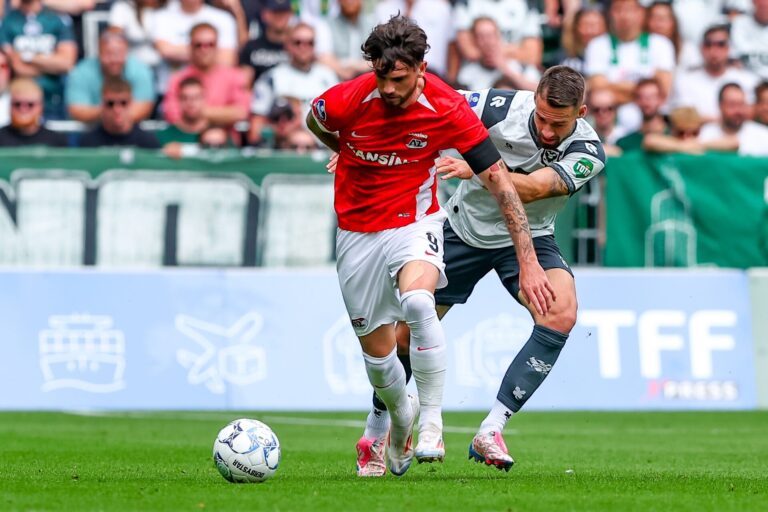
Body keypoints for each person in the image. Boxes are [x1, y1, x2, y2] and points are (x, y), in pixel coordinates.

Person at [306, 15, 552, 477]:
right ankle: (401, 418)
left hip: (414, 221)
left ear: (421, 67)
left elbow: (500, 182)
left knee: (419, 301)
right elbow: (313, 119)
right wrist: (340, 145)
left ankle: (432, 424)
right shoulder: (348, 99)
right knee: (380, 364)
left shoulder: (447, 106)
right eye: (381, 76)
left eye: (398, 79)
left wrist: (528, 256)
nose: (389, 88)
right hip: (356, 233)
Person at [356, 64, 605, 475]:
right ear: (534, 98)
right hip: (463, 230)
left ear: (580, 114)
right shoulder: (497, 105)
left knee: (561, 313)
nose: (546, 130)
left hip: (530, 237)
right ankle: (377, 429)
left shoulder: (589, 152)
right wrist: (358, 142)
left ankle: (491, 428)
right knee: (402, 337)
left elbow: (539, 188)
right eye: (541, 118)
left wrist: (479, 166)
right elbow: (423, 102)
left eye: (557, 124)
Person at [250, 22, 338, 145]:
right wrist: (280, 130)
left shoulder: (329, 77)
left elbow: (341, 122)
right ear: (287, 45)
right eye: (298, 42)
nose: (304, 47)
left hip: (322, 149)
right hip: (283, 149)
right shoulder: (272, 78)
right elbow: (255, 130)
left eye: (310, 43)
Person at [163, 23, 250, 132]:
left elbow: (241, 112)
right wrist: (222, 116)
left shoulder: (234, 76)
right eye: (198, 45)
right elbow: (172, 115)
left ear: (217, 46)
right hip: (185, 140)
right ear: (190, 47)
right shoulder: (177, 79)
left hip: (224, 142)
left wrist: (196, 112)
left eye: (210, 44)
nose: (204, 50)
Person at [1, 0, 77, 120]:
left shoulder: (56, 19)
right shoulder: (8, 21)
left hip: (55, 98)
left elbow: (66, 63)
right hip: (21, 101)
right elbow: (18, 67)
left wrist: (27, 56)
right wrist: (51, 65)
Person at [671, 24, 759, 123]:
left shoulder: (747, 80)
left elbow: (751, 113)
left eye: (721, 44)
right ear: (701, 48)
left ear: (729, 48)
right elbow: (683, 116)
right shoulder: (684, 80)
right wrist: (726, 120)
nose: (714, 51)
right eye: (708, 45)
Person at [66, 28, 156, 124]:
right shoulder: (81, 72)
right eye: (108, 54)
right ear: (99, 53)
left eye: (119, 53)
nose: (114, 60)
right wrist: (111, 114)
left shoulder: (141, 71)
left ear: (127, 53)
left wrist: (111, 114)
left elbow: (143, 108)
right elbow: (77, 110)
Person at [79, 77, 161, 149]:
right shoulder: (88, 142)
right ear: (102, 105)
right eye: (110, 103)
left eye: (123, 103)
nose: (117, 109)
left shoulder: (148, 142)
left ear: (131, 103)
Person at [0, 77, 67, 146]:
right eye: (17, 104)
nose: (23, 109)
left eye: (30, 105)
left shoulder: (56, 141)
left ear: (41, 107)